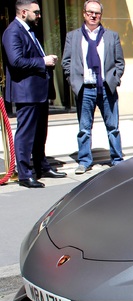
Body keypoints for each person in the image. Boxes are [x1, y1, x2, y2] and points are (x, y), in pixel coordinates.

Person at [1, 0, 66, 188]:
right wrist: (43, 61)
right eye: (36, 12)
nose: (39, 15)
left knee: (39, 133)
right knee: (26, 134)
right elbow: (16, 62)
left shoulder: (29, 30)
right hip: (26, 92)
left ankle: (41, 166)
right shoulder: (13, 32)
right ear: (23, 12)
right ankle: (24, 174)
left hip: (38, 92)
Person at [62, 0, 125, 175]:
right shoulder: (73, 36)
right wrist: (72, 80)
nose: (93, 15)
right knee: (84, 128)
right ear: (84, 13)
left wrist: (115, 79)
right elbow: (66, 62)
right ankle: (84, 161)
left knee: (113, 127)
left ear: (101, 15)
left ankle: (117, 159)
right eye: (90, 12)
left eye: (97, 13)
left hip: (106, 88)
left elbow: (119, 62)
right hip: (85, 89)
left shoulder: (111, 36)